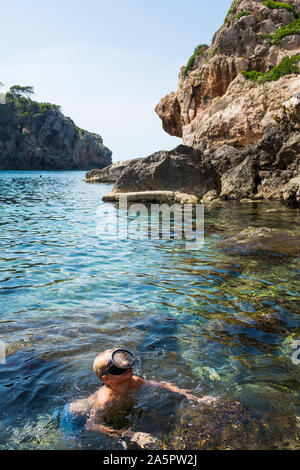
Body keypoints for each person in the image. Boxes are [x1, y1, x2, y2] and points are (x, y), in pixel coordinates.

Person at [67, 348, 216, 447]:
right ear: (106, 379)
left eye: (125, 360)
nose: (126, 364)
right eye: (118, 366)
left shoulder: (135, 382)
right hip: (74, 416)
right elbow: (91, 424)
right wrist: (132, 435)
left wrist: (195, 397)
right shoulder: (106, 399)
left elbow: (163, 385)